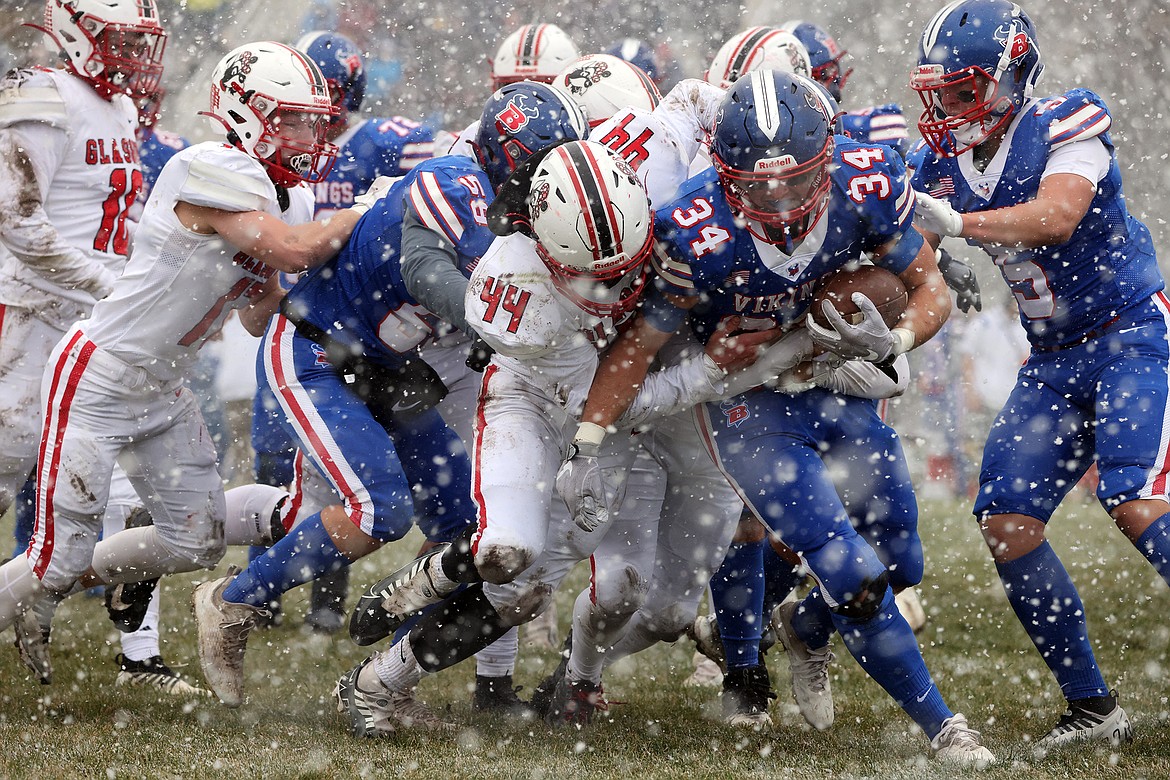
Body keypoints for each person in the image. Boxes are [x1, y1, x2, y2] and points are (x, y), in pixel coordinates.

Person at [556, 70, 994, 767]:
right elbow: (640, 345)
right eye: (756, 186)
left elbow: (927, 286)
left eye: (794, 181)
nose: (780, 200)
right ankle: (945, 728)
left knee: (901, 559)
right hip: (748, 402)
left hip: (834, 377)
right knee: (847, 566)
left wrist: (897, 340)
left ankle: (804, 623)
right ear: (722, 170)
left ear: (825, 155)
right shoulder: (695, 229)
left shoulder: (866, 178)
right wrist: (588, 439)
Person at [0, 40, 365, 668]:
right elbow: (291, 250)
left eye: (316, 119)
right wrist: (368, 212)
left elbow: (257, 311)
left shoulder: (287, 198)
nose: (310, 134)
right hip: (102, 372)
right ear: (247, 113)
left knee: (194, 542)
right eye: (294, 119)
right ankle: (43, 585)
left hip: (163, 389)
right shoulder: (211, 164)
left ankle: (70, 585)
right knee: (54, 555)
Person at [909, 0, 1166, 752]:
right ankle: (1093, 707)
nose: (949, 109)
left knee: (1136, 499)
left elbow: (1056, 215)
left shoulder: (1067, 121)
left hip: (1129, 336)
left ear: (1011, 76)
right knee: (1006, 524)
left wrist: (957, 227)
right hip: (1052, 358)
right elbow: (901, 243)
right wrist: (922, 271)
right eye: (940, 93)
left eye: (964, 91)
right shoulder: (940, 165)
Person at [242, 29, 440, 634]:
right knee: (279, 460)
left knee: (336, 477)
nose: (311, 125)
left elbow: (429, 178)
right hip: (299, 315)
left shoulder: (382, 143)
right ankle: (264, 594)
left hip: (347, 321)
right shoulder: (281, 158)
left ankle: (318, 603)